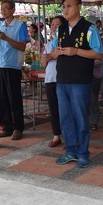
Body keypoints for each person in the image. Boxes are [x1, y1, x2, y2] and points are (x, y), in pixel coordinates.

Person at [49, 0, 103, 168]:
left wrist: (77, 51)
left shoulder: (89, 29)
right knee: (65, 118)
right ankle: (70, 150)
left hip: (80, 81)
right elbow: (54, 51)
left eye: (69, 5)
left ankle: (82, 152)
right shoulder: (61, 29)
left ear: (79, 6)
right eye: (63, 6)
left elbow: (98, 53)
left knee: (80, 117)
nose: (65, 9)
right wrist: (54, 53)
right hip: (62, 79)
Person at [0, 0, 29, 140]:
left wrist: (5, 37)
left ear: (13, 10)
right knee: (2, 98)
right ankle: (6, 126)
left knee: (14, 98)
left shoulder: (20, 25)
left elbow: (22, 46)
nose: (3, 11)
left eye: (6, 9)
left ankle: (18, 127)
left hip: (13, 66)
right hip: (0, 65)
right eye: (2, 8)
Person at [41, 16, 67, 148]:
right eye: (52, 24)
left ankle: (69, 136)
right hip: (50, 78)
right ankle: (56, 135)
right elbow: (43, 62)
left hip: (63, 78)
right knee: (53, 108)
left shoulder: (66, 41)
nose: (54, 27)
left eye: (57, 24)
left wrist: (52, 55)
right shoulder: (49, 43)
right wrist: (47, 57)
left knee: (66, 109)